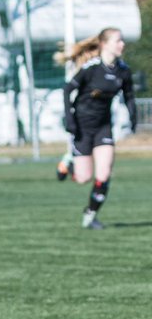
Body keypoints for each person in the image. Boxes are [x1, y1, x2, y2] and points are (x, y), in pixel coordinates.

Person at [59, 27, 136, 229]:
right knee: (83, 178)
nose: (122, 44)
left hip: (103, 127)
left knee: (104, 173)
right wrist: (69, 119)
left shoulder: (123, 70)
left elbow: (129, 95)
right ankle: (69, 161)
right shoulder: (91, 68)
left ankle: (91, 214)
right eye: (118, 41)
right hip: (82, 127)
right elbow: (67, 90)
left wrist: (133, 116)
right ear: (104, 44)